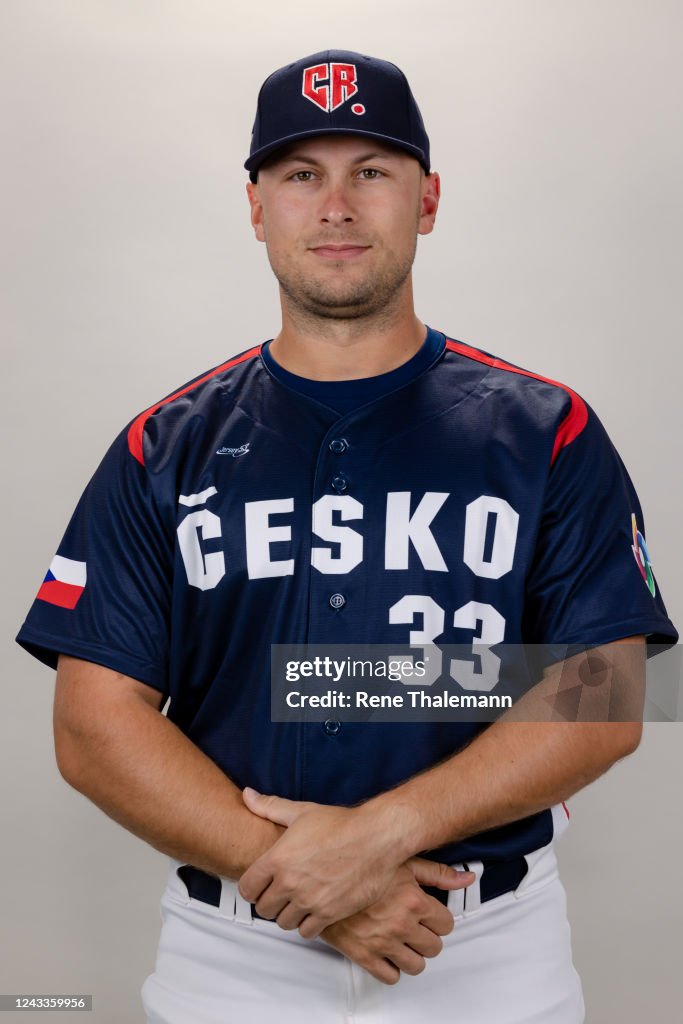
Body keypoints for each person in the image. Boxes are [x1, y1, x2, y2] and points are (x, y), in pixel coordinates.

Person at [16, 48, 678, 1024]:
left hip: (485, 954)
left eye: (370, 171)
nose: (335, 205)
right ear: (254, 205)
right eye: (299, 174)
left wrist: (380, 835)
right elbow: (91, 723)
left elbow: (610, 690)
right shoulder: (164, 443)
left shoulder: (547, 428)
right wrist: (297, 873)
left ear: (428, 197)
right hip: (231, 956)